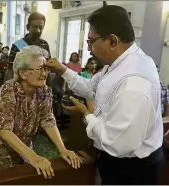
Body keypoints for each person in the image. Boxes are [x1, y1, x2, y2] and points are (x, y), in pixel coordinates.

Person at [46, 5, 163, 185]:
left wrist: (86, 115)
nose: (89, 49)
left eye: (91, 41)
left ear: (112, 41)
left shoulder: (134, 84)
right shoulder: (118, 63)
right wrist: (63, 70)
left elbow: (119, 143)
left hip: (131, 168)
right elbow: (91, 87)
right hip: (118, 158)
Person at [0, 45, 82, 178]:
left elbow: (48, 120)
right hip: (0, 148)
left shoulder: (44, 90)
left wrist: (63, 149)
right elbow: (4, 130)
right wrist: (34, 158)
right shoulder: (8, 90)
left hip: (25, 146)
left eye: (46, 69)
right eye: (40, 69)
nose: (44, 74)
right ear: (23, 73)